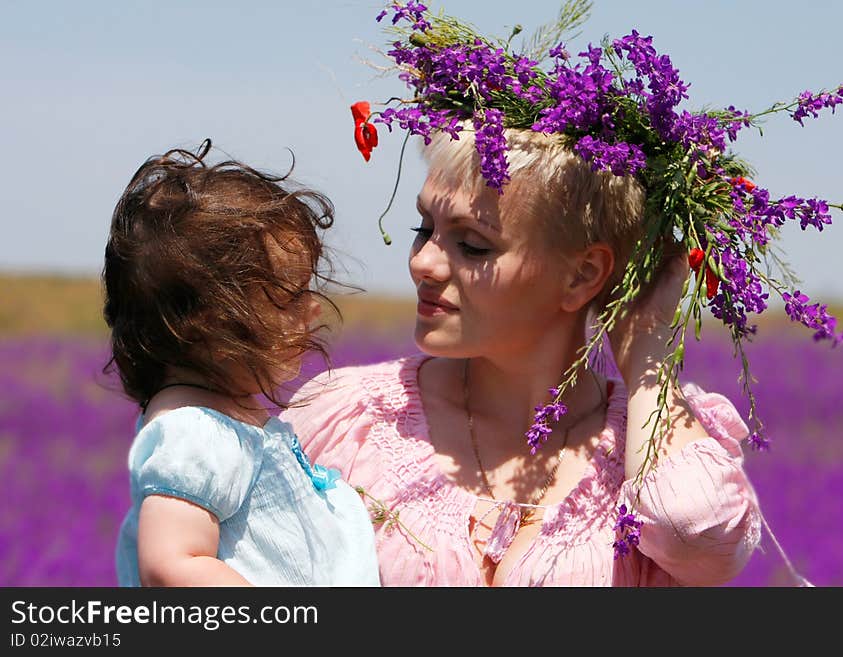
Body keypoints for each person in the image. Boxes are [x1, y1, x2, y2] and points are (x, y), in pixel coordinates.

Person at [281, 127, 767, 586]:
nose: (422, 263)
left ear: (582, 275)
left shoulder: (652, 454)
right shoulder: (350, 420)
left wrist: (648, 356)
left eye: (472, 245)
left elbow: (694, 530)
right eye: (423, 226)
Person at [105, 140, 380, 587]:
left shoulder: (226, 423)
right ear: (209, 326)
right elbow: (173, 565)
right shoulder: (194, 432)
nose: (312, 310)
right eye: (289, 297)